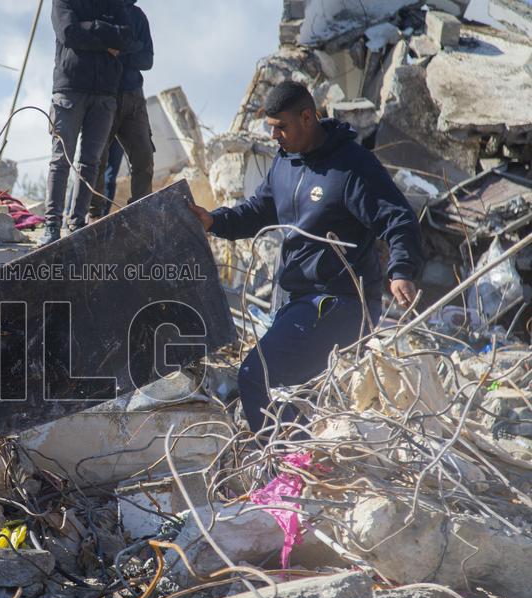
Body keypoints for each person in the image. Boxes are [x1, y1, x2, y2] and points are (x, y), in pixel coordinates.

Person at [189, 81, 423, 440]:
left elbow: (398, 218)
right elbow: (258, 211)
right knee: (297, 397)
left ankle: (292, 470)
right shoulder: (285, 162)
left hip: (341, 301)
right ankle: (310, 467)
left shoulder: (351, 167)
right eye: (270, 128)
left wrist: (402, 271)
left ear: (307, 117)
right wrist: (215, 222)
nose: (275, 135)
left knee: (257, 378)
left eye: (281, 127)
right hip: (295, 302)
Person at [41, 0, 135, 245]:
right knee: (62, 159)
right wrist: (105, 34)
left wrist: (89, 30)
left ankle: (77, 224)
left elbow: (126, 38)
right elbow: (68, 32)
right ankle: (51, 225)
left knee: (90, 163)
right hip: (70, 89)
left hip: (104, 94)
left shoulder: (116, 4)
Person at [89, 0, 154, 218]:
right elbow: (97, 48)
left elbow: (147, 59)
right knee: (96, 159)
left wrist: (122, 50)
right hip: (105, 94)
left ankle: (141, 211)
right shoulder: (101, 10)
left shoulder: (138, 16)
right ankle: (94, 214)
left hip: (134, 96)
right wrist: (132, 46)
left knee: (144, 157)